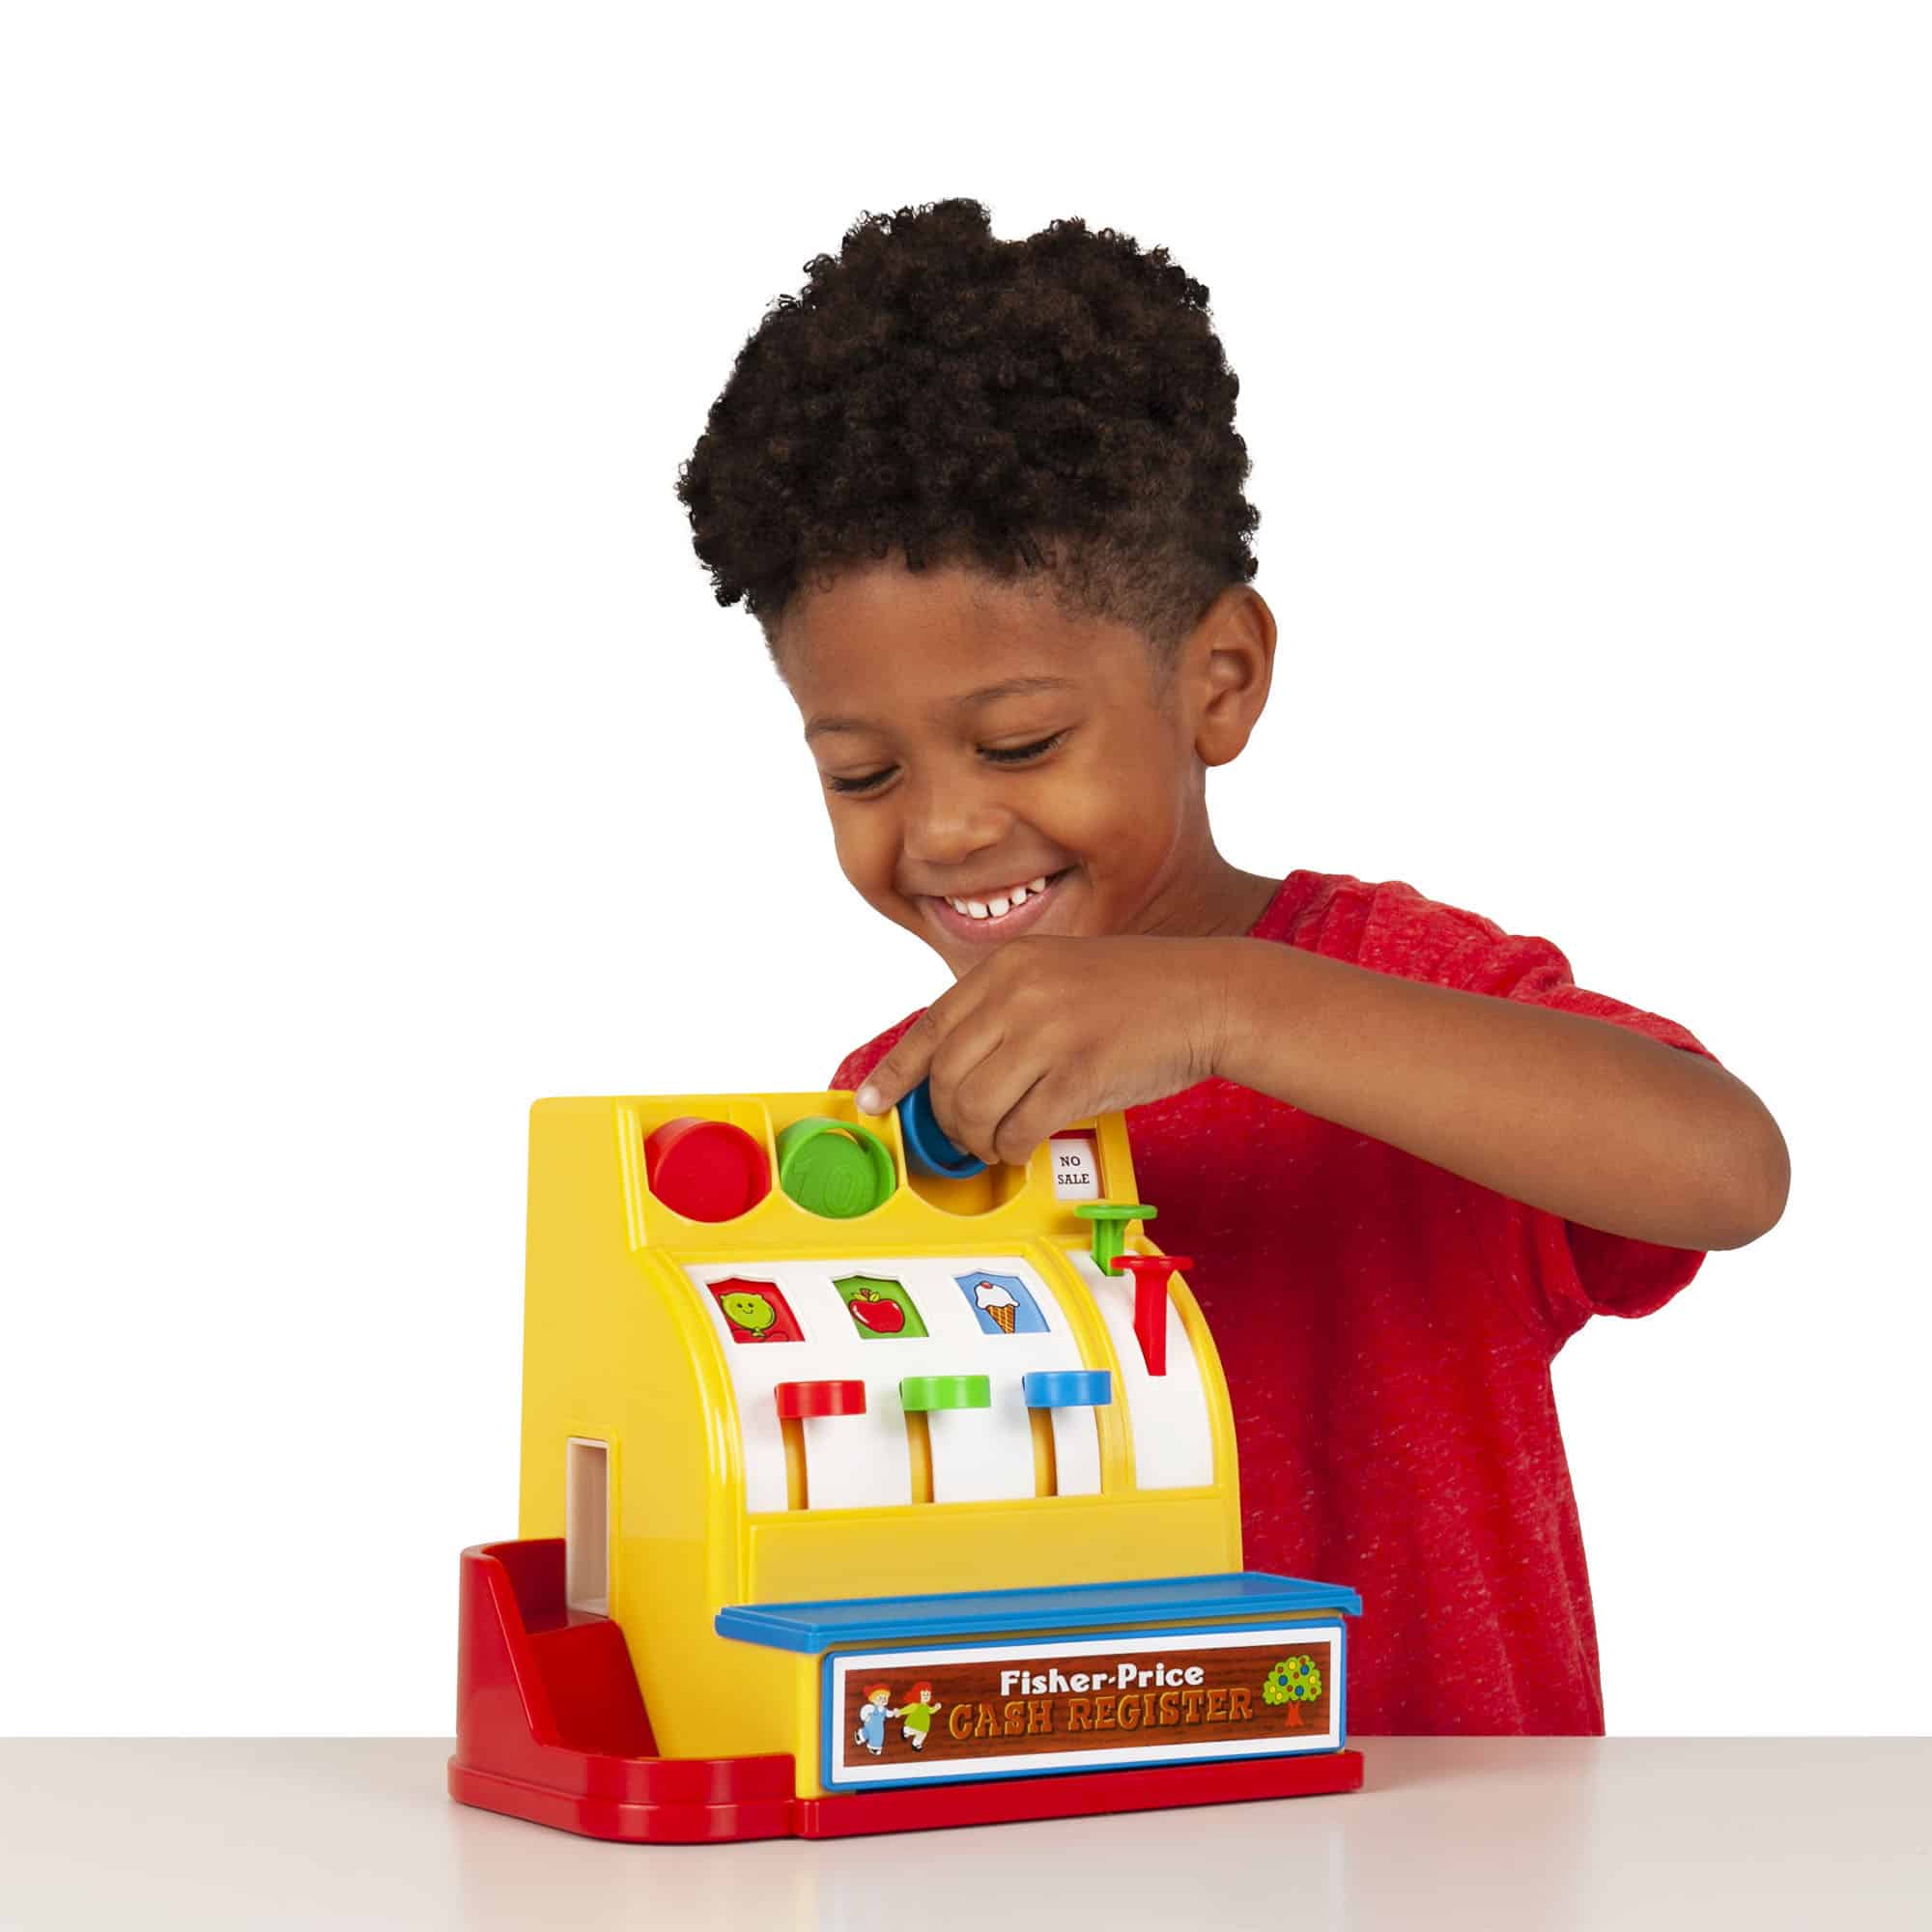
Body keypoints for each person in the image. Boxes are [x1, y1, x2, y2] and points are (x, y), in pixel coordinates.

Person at [673, 198, 1789, 1734]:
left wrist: (1225, 1007)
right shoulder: (903, 1102)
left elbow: (1728, 1169)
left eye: (1021, 743)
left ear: (1220, 678)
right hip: (1064, 1824)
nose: (942, 829)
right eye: (861, 773)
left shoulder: (1380, 989)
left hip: (1447, 1845)